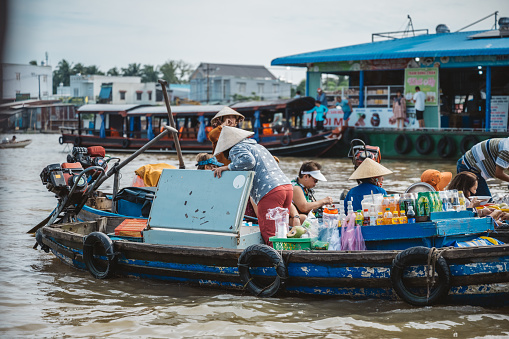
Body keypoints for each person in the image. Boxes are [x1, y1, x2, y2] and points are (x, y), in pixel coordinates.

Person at [213, 126, 292, 245]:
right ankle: (288, 256)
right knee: (282, 230)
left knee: (270, 234)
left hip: (270, 190)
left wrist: (227, 167)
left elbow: (249, 161)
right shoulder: (258, 146)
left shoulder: (236, 148)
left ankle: (277, 262)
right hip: (286, 187)